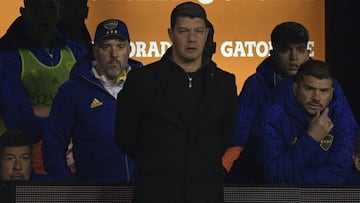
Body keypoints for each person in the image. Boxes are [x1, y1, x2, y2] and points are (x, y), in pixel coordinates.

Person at [115, 2, 238, 202]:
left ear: (207, 34)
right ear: (171, 34)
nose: (192, 39)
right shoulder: (142, 80)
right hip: (155, 191)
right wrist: (157, 164)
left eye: (198, 31)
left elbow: (225, 136)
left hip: (205, 191)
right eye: (184, 31)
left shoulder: (224, 83)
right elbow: (125, 136)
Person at [42, 18, 142, 182]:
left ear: (130, 50)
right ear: (95, 51)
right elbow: (53, 145)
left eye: (120, 46)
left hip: (142, 193)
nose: (114, 54)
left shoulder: (146, 86)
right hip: (94, 194)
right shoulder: (72, 92)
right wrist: (67, 190)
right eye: (106, 47)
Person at [0, 0, 89, 175]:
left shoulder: (77, 52)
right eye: (37, 8)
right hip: (20, 167)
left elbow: (91, 111)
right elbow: (19, 120)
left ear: (59, 11)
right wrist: (67, 114)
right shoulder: (6, 55)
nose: (44, 14)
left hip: (71, 165)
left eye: (50, 8)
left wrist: (39, 110)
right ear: (24, 12)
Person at [224, 21, 311, 183]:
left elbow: (344, 130)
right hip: (266, 164)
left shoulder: (325, 83)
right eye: (286, 50)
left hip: (311, 163)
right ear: (273, 53)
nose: (294, 57)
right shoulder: (256, 84)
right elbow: (240, 133)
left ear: (308, 53)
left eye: (300, 50)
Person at [253, 59, 358, 185]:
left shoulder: (341, 117)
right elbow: (273, 173)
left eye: (323, 91)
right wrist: (311, 138)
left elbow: (339, 174)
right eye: (309, 89)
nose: (316, 98)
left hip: (326, 196)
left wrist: (289, 179)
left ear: (331, 93)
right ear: (295, 89)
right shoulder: (271, 117)